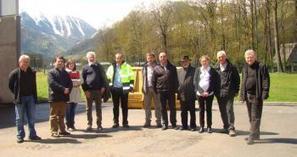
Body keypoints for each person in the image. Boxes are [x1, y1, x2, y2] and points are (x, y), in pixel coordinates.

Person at [8, 55, 41, 143]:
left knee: (32, 117)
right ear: (19, 63)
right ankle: (20, 136)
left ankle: (32, 135)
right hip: (20, 98)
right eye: (24, 61)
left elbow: (34, 86)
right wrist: (16, 94)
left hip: (31, 98)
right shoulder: (14, 73)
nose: (26, 63)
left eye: (27, 62)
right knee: (20, 118)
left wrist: (34, 97)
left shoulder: (32, 72)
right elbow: (10, 86)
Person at [240, 49, 270, 145]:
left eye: (251, 57)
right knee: (251, 116)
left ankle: (252, 136)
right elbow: (243, 81)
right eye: (247, 57)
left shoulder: (261, 66)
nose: (249, 59)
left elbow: (266, 80)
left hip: (257, 95)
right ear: (245, 58)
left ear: (255, 57)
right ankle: (256, 134)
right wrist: (242, 95)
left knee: (255, 116)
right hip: (248, 95)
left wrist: (265, 92)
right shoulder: (245, 67)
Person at [215, 51, 240, 136]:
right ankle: (226, 127)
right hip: (219, 93)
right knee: (222, 111)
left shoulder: (232, 67)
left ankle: (231, 128)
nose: (220, 59)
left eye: (222, 57)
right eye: (219, 57)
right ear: (217, 58)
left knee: (229, 110)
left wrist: (236, 90)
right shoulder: (216, 68)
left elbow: (237, 80)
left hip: (229, 92)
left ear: (225, 57)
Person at [106, 52, 135, 128]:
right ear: (115, 59)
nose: (118, 59)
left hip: (124, 89)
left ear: (122, 58)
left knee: (124, 106)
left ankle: (125, 122)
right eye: (117, 58)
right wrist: (110, 87)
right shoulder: (111, 67)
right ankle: (116, 122)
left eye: (119, 58)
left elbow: (132, 78)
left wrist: (131, 87)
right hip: (115, 89)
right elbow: (108, 78)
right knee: (115, 107)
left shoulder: (128, 67)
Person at [152, 51, 179, 130]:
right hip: (161, 92)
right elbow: (153, 81)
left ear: (167, 57)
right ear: (159, 58)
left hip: (170, 91)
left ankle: (173, 123)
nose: (162, 58)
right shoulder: (156, 68)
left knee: (172, 108)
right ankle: (165, 124)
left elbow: (175, 80)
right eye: (161, 57)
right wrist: (156, 91)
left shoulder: (172, 67)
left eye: (164, 56)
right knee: (162, 108)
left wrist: (175, 90)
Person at [82, 51, 108, 132]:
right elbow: (82, 80)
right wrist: (85, 90)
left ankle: (99, 125)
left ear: (95, 58)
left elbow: (104, 77)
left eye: (93, 57)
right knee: (88, 109)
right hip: (89, 91)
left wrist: (103, 87)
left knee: (98, 108)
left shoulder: (99, 67)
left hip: (98, 91)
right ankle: (89, 125)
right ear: (87, 58)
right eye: (90, 57)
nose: (91, 58)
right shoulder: (85, 68)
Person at [48, 56, 73, 137]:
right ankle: (54, 131)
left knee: (62, 115)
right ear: (55, 62)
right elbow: (52, 83)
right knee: (54, 116)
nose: (60, 63)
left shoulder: (65, 73)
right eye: (58, 61)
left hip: (64, 97)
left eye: (62, 61)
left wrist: (68, 89)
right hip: (55, 97)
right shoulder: (51, 72)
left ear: (64, 63)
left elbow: (70, 83)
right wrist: (63, 89)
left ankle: (62, 130)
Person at [193, 55, 219, 133]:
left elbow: (214, 82)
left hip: (209, 93)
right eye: (203, 61)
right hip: (199, 93)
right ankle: (201, 126)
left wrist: (208, 91)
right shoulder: (198, 70)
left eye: (206, 61)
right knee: (201, 110)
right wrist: (201, 91)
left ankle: (209, 127)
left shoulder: (212, 70)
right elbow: (195, 81)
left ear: (208, 61)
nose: (204, 62)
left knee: (208, 110)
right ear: (201, 62)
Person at [142, 52, 162, 128]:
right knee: (147, 106)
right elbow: (143, 78)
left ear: (154, 58)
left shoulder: (158, 66)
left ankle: (159, 122)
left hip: (156, 89)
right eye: (148, 58)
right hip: (147, 88)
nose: (149, 59)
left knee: (158, 106)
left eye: (151, 58)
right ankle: (147, 121)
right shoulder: (144, 67)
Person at [177, 56, 196, 131]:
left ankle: (193, 126)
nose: (184, 63)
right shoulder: (179, 71)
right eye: (183, 61)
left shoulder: (194, 70)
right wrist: (178, 89)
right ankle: (184, 125)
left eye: (186, 61)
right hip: (182, 94)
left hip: (191, 94)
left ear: (189, 61)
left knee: (192, 111)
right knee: (183, 111)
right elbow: (177, 81)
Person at [65, 59, 81, 131]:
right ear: (67, 65)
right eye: (70, 64)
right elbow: (67, 82)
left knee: (73, 110)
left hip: (76, 92)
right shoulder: (65, 72)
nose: (71, 65)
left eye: (73, 64)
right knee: (68, 110)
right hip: (69, 92)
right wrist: (76, 82)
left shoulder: (77, 72)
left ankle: (72, 124)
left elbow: (81, 81)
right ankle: (68, 125)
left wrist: (75, 82)